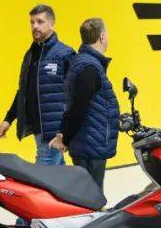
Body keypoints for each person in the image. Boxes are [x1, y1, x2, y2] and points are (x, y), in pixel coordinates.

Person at [0, 5, 75, 166]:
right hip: (38, 128)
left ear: (51, 24)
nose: (35, 26)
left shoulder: (65, 54)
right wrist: (8, 119)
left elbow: (78, 93)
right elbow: (23, 91)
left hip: (54, 131)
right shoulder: (30, 55)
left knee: (41, 174)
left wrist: (66, 131)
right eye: (32, 22)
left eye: (40, 21)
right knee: (58, 171)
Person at [50, 18, 118, 190]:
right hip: (90, 146)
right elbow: (78, 108)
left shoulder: (84, 63)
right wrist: (65, 137)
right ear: (102, 37)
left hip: (88, 142)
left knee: (86, 193)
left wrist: (65, 135)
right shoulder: (89, 67)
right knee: (92, 196)